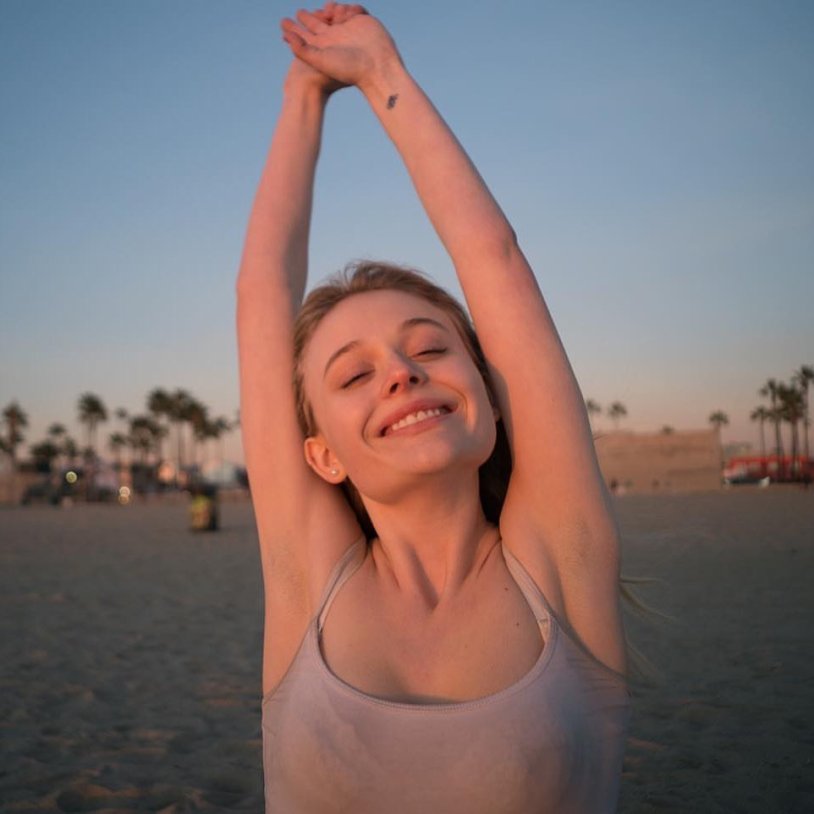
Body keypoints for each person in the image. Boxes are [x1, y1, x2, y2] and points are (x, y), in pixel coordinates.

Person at [237, 4, 630, 812]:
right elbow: (261, 296)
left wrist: (384, 75)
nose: (402, 373)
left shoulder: (557, 564)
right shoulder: (308, 577)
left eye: (431, 347)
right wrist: (302, 99)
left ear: (487, 391)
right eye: (352, 377)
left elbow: (496, 260)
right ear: (324, 455)